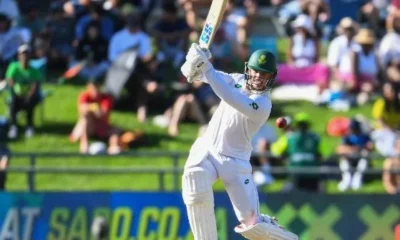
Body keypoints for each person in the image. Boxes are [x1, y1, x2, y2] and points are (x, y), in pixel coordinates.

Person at [180, 43, 298, 239]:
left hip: (235, 163)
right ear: (248, 69)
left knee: (252, 226)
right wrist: (192, 62)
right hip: (208, 150)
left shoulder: (262, 104)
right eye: (256, 71)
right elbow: (196, 76)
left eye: (265, 74)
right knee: (195, 182)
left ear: (272, 77)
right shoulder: (236, 79)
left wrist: (205, 65)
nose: (259, 77)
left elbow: (230, 96)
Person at [6, 44, 43, 139]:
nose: (25, 57)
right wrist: (16, 91)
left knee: (30, 102)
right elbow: (10, 80)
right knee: (13, 103)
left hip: (30, 96)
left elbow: (35, 86)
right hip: (16, 94)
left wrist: (28, 95)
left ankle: (29, 126)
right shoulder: (14, 67)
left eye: (27, 54)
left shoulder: (35, 70)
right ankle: (13, 126)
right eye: (23, 54)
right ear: (19, 56)